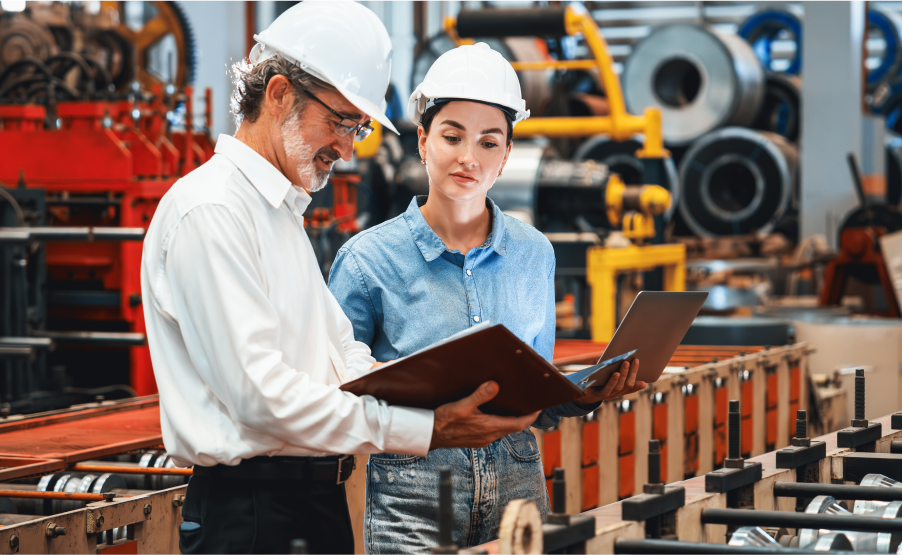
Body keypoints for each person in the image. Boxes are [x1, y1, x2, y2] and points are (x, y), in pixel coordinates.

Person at [140, 4, 540, 554]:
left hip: (309, 503)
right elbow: (261, 398)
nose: (348, 149)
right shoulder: (211, 211)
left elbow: (343, 355)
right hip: (251, 514)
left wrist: (437, 389)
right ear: (279, 93)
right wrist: (426, 429)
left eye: (358, 128)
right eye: (340, 122)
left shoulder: (278, 212)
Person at [328, 43, 647, 553]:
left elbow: (533, 394)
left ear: (506, 156)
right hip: (414, 494)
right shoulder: (367, 261)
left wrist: (577, 396)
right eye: (452, 136)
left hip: (518, 486)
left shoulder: (533, 253)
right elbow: (334, 398)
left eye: (489, 143)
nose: (468, 158)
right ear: (423, 140)